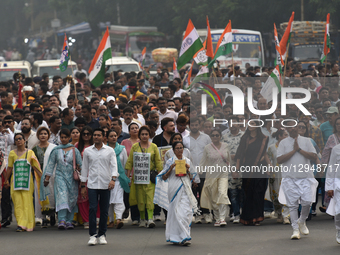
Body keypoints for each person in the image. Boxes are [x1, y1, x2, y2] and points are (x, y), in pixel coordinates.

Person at [277, 119, 318, 240]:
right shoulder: (283, 143)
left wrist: (299, 149)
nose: (293, 129)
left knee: (307, 202)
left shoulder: (307, 141)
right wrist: (294, 150)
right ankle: (295, 229)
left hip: (305, 177)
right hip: (290, 178)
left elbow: (314, 156)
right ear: (287, 130)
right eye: (289, 127)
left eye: (294, 126)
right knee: (293, 206)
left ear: (298, 128)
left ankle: (302, 221)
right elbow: (279, 160)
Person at [155, 141, 198, 245]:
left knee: (185, 212)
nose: (180, 150)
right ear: (173, 150)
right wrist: (171, 169)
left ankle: (184, 236)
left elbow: (191, 177)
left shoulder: (187, 160)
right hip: (174, 188)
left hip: (185, 188)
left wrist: (188, 170)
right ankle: (180, 237)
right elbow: (164, 177)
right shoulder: (170, 161)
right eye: (177, 148)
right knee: (176, 213)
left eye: (181, 148)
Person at [81, 128, 118, 245]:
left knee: (104, 210)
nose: (96, 137)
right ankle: (92, 235)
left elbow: (114, 166)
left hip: (106, 184)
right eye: (95, 135)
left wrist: (113, 179)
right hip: (92, 184)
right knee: (92, 208)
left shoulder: (109, 150)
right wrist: (83, 185)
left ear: (103, 137)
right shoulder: (87, 151)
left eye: (99, 135)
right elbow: (84, 168)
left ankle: (102, 234)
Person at [42, 129, 82, 230]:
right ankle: (62, 220)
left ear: (69, 138)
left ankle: (69, 220)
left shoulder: (74, 150)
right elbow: (50, 165)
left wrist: (80, 171)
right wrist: (47, 178)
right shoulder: (56, 150)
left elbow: (81, 164)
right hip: (60, 176)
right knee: (62, 197)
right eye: (62, 137)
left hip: (72, 178)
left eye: (65, 137)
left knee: (71, 198)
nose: (63, 139)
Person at [3, 133, 43, 232]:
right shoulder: (12, 153)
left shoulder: (30, 153)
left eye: (20, 138)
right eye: (16, 139)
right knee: (17, 203)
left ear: (24, 140)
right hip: (15, 182)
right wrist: (6, 180)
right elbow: (10, 168)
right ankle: (20, 224)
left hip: (27, 183)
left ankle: (28, 224)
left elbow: (35, 166)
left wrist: (42, 178)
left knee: (27, 202)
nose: (18, 141)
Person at [125, 126, 163, 228]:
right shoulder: (135, 147)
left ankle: (150, 219)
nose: (144, 136)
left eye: (146, 134)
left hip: (150, 177)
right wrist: (128, 177)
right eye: (142, 134)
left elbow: (158, 162)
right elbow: (130, 162)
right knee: (140, 198)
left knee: (150, 198)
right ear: (139, 136)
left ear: (149, 135)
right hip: (138, 177)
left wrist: (160, 177)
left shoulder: (154, 146)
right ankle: (142, 219)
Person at [235, 120, 270, 226]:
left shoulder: (264, 138)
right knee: (248, 193)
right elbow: (239, 154)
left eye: (253, 124)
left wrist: (269, 165)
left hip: (260, 168)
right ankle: (247, 217)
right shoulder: (244, 138)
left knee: (258, 192)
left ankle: (257, 217)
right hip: (247, 168)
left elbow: (264, 153)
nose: (250, 126)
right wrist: (236, 169)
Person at [200, 128, 231, 227]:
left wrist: (234, 171)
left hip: (223, 174)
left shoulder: (226, 146)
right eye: (213, 135)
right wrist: (198, 173)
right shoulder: (207, 148)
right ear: (210, 137)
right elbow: (203, 162)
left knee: (222, 193)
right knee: (213, 197)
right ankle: (217, 218)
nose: (215, 137)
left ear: (220, 136)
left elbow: (229, 160)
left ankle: (222, 218)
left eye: (217, 135)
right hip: (211, 175)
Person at [32, 127, 57, 228]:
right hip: (38, 176)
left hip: (52, 175)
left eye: (45, 134)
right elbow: (33, 163)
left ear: (48, 135)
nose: (43, 135)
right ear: (38, 136)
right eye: (41, 134)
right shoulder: (34, 149)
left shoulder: (54, 147)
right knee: (40, 196)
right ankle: (43, 217)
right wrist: (40, 174)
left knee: (51, 195)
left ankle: (52, 215)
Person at [106, 130, 130, 229]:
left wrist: (126, 177)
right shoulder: (104, 149)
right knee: (108, 200)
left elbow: (125, 164)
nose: (113, 137)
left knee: (119, 199)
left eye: (115, 136)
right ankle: (111, 220)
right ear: (107, 138)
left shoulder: (122, 149)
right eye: (111, 136)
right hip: (107, 178)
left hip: (119, 178)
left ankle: (119, 219)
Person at [267, 128, 290, 224]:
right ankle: (279, 213)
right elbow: (267, 157)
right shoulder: (272, 147)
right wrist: (269, 167)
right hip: (275, 174)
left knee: (286, 194)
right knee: (275, 194)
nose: (287, 137)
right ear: (279, 136)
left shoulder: (290, 146)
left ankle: (286, 216)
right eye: (285, 135)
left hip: (287, 173)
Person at [75, 126, 94, 228]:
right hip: (82, 175)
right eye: (84, 134)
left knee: (94, 198)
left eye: (88, 134)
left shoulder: (95, 146)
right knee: (83, 198)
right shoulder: (77, 146)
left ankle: (95, 219)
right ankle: (86, 220)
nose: (86, 136)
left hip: (94, 174)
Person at [121, 122, 140, 224]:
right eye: (132, 128)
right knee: (130, 195)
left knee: (139, 194)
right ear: (129, 131)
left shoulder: (142, 141)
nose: (134, 130)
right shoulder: (124, 142)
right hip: (128, 172)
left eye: (136, 128)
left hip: (140, 173)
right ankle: (133, 217)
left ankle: (141, 216)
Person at [325, 143, 340, 244]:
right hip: (338, 183)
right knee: (339, 211)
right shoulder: (336, 149)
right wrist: (329, 187)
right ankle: (339, 230)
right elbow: (331, 167)